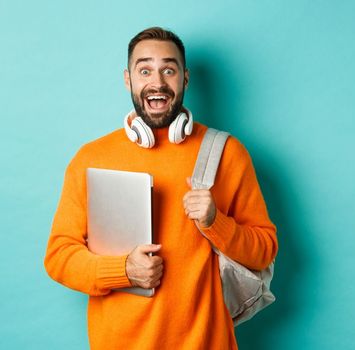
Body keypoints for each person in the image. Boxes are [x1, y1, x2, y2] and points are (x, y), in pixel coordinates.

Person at [43, 27, 278, 349]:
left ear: (185, 79)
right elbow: (59, 258)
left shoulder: (226, 153)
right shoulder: (91, 158)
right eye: (145, 70)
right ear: (128, 79)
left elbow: (264, 249)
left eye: (169, 69)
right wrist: (123, 269)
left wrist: (216, 222)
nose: (157, 82)